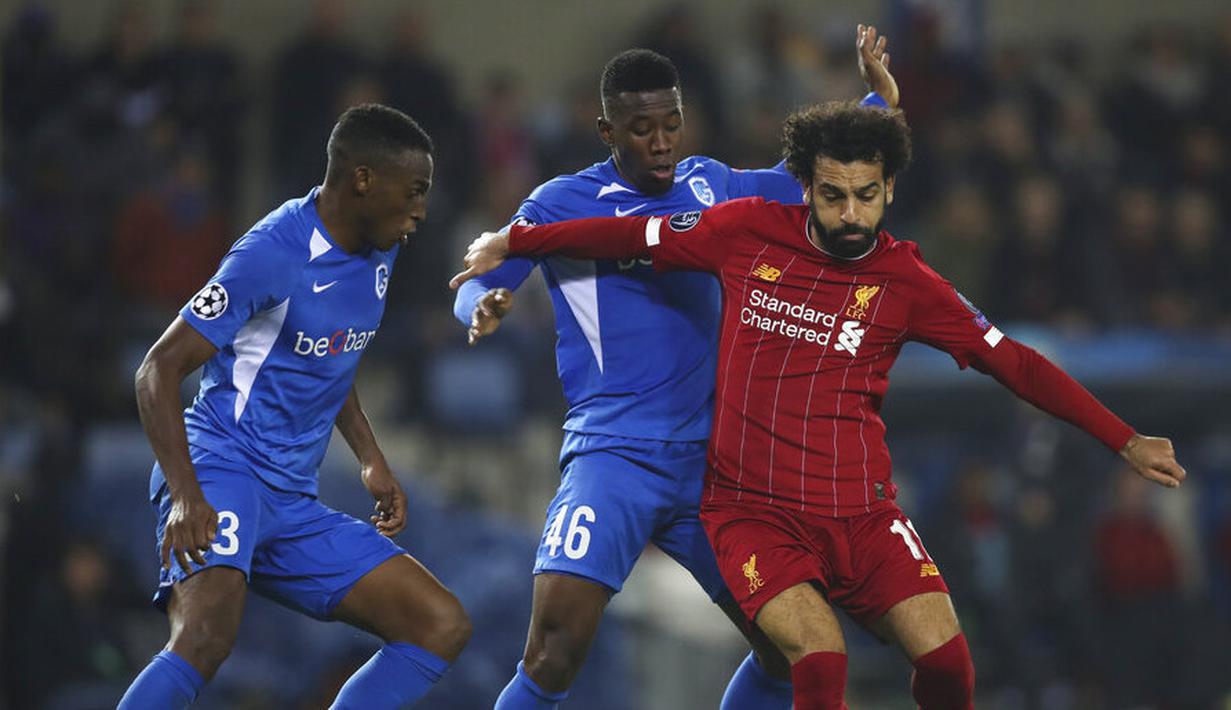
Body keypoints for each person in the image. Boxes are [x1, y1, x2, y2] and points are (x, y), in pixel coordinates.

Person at [451, 100, 1188, 710]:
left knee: (948, 667)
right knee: (817, 661)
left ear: (889, 190)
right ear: (804, 186)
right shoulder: (741, 234)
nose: (849, 214)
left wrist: (1122, 440)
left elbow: (1016, 364)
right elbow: (626, 232)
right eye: (831, 195)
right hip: (752, 513)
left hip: (863, 516)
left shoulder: (908, 282)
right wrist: (515, 241)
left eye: (865, 196)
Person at [452, 25, 898, 710]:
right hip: (613, 457)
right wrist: (483, 309)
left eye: (671, 125)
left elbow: (804, 179)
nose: (660, 142)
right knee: (553, 653)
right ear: (606, 130)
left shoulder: (710, 182)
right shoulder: (559, 204)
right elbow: (477, 278)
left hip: (711, 468)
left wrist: (877, 102)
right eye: (640, 129)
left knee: (791, 647)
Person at [118, 104, 470, 709]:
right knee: (205, 635)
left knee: (439, 624)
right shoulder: (273, 252)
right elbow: (157, 369)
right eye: (413, 191)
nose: (421, 210)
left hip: (292, 499)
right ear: (363, 179)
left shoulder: (379, 248)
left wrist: (369, 457)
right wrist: (185, 493)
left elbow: (332, 357)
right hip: (222, 469)